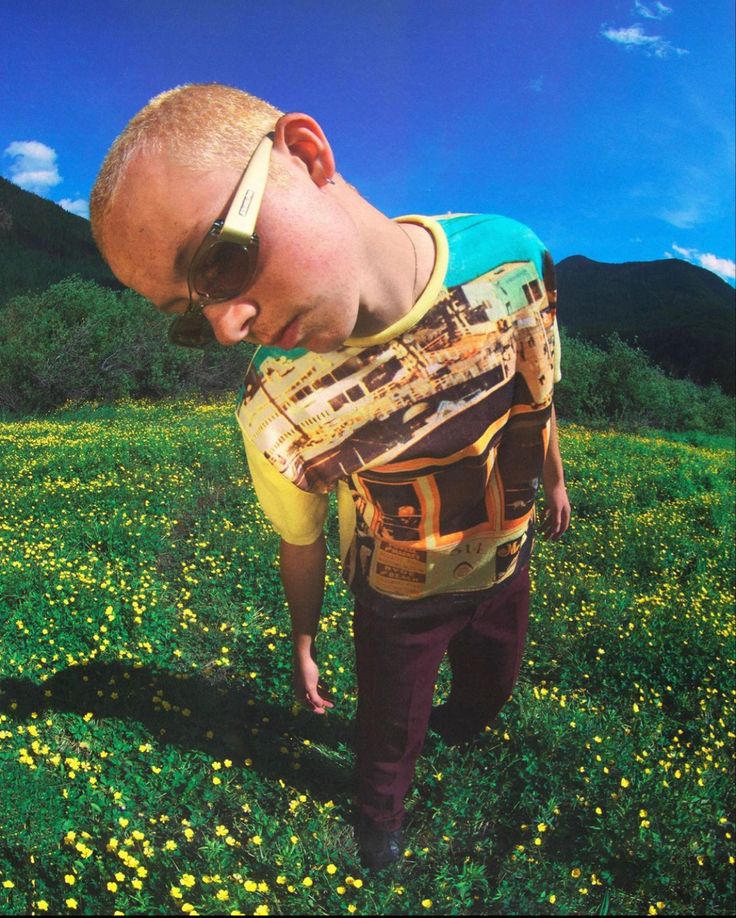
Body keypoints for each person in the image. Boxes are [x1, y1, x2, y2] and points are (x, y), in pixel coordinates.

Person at [90, 83, 571, 871]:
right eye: (187, 314)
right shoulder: (274, 406)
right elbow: (301, 537)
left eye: (219, 260)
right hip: (398, 594)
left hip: (509, 559)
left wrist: (552, 482)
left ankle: (465, 723)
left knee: (492, 684)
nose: (224, 324)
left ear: (307, 155)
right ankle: (379, 826)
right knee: (387, 731)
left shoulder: (514, 257)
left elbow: (536, 392)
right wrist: (305, 640)